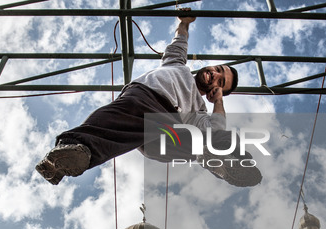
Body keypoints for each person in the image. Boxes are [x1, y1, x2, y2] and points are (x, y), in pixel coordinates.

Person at [36, 10, 262, 187]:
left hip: (166, 125)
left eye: (220, 82)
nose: (216, 75)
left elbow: (216, 128)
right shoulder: (177, 65)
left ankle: (223, 160)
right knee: (111, 119)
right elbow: (178, 45)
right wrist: (184, 23)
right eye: (219, 69)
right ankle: (72, 154)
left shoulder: (199, 110)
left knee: (189, 141)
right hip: (143, 98)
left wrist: (219, 102)